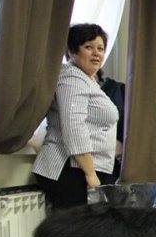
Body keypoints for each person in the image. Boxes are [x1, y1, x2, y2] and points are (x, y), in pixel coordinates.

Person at [32, 24, 118, 209]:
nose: (96, 53)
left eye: (100, 48)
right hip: (69, 170)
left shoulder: (87, 80)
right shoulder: (71, 79)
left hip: (82, 169)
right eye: (88, 47)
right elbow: (74, 127)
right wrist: (90, 173)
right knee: (75, 234)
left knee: (82, 233)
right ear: (72, 51)